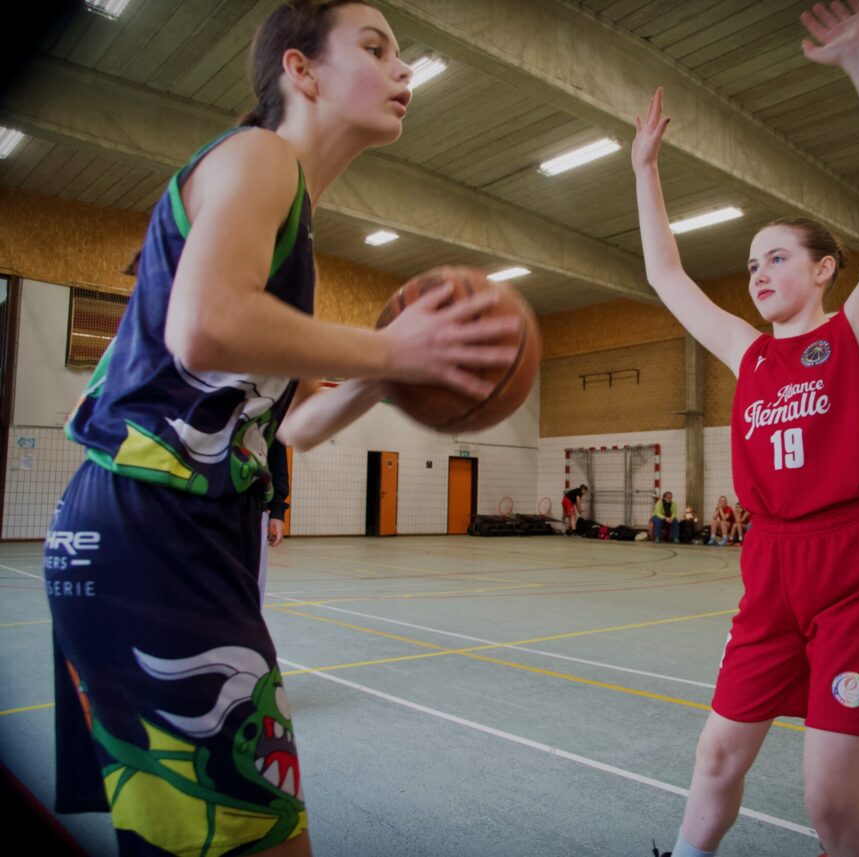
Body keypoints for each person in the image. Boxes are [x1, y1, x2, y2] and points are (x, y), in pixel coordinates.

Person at [43, 4, 520, 855]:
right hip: (155, 533)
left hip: (149, 533)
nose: (405, 71)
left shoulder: (286, 211)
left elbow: (285, 426)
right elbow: (202, 323)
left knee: (189, 839)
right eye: (377, 48)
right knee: (260, 836)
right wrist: (390, 342)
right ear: (300, 71)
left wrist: (383, 373)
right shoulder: (262, 158)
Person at [633, 2, 859, 854]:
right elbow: (665, 271)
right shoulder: (747, 351)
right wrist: (643, 168)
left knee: (834, 805)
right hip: (770, 564)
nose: (760, 271)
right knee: (718, 752)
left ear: (825, 268)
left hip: (858, 562)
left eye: (779, 256)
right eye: (753, 260)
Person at [258, 440, 291, 603]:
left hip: (253, 509)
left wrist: (278, 511)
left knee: (252, 588)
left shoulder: (270, 416)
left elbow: (278, 462)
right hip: (192, 506)